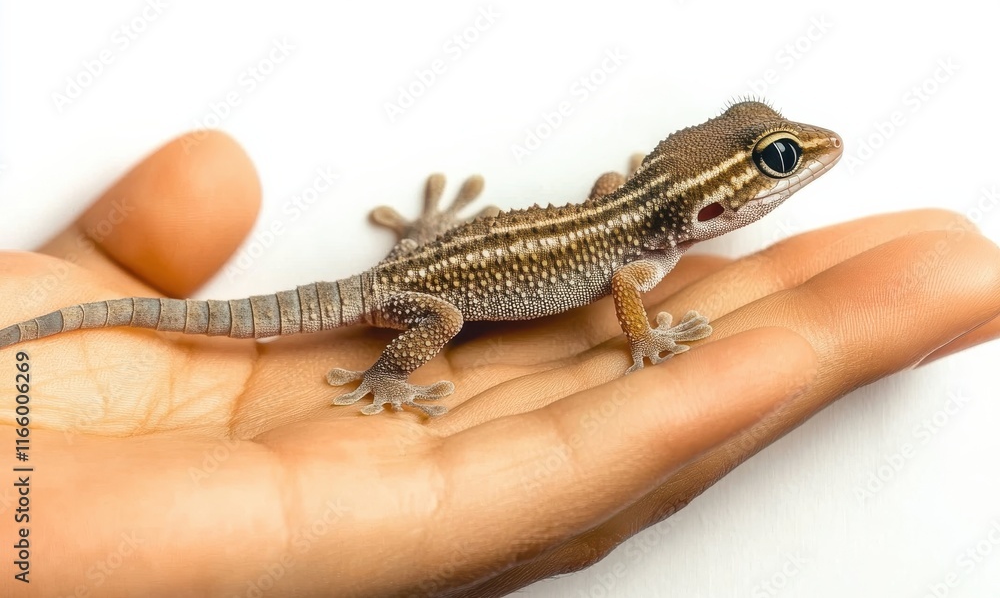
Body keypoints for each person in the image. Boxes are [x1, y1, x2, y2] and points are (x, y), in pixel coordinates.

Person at [4, 131, 999, 597]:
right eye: (779, 161)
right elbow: (622, 295)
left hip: (424, 261)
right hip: (416, 294)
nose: (806, 159)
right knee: (431, 309)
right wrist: (642, 334)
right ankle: (392, 368)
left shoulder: (628, 212)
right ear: (705, 211)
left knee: (439, 277)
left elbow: (616, 188)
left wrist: (434, 236)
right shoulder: (632, 255)